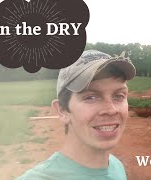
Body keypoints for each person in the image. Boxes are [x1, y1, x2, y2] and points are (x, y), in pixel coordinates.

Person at [16, 50, 136, 180]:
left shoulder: (116, 167)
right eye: (90, 97)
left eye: (119, 96)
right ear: (62, 110)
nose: (111, 110)